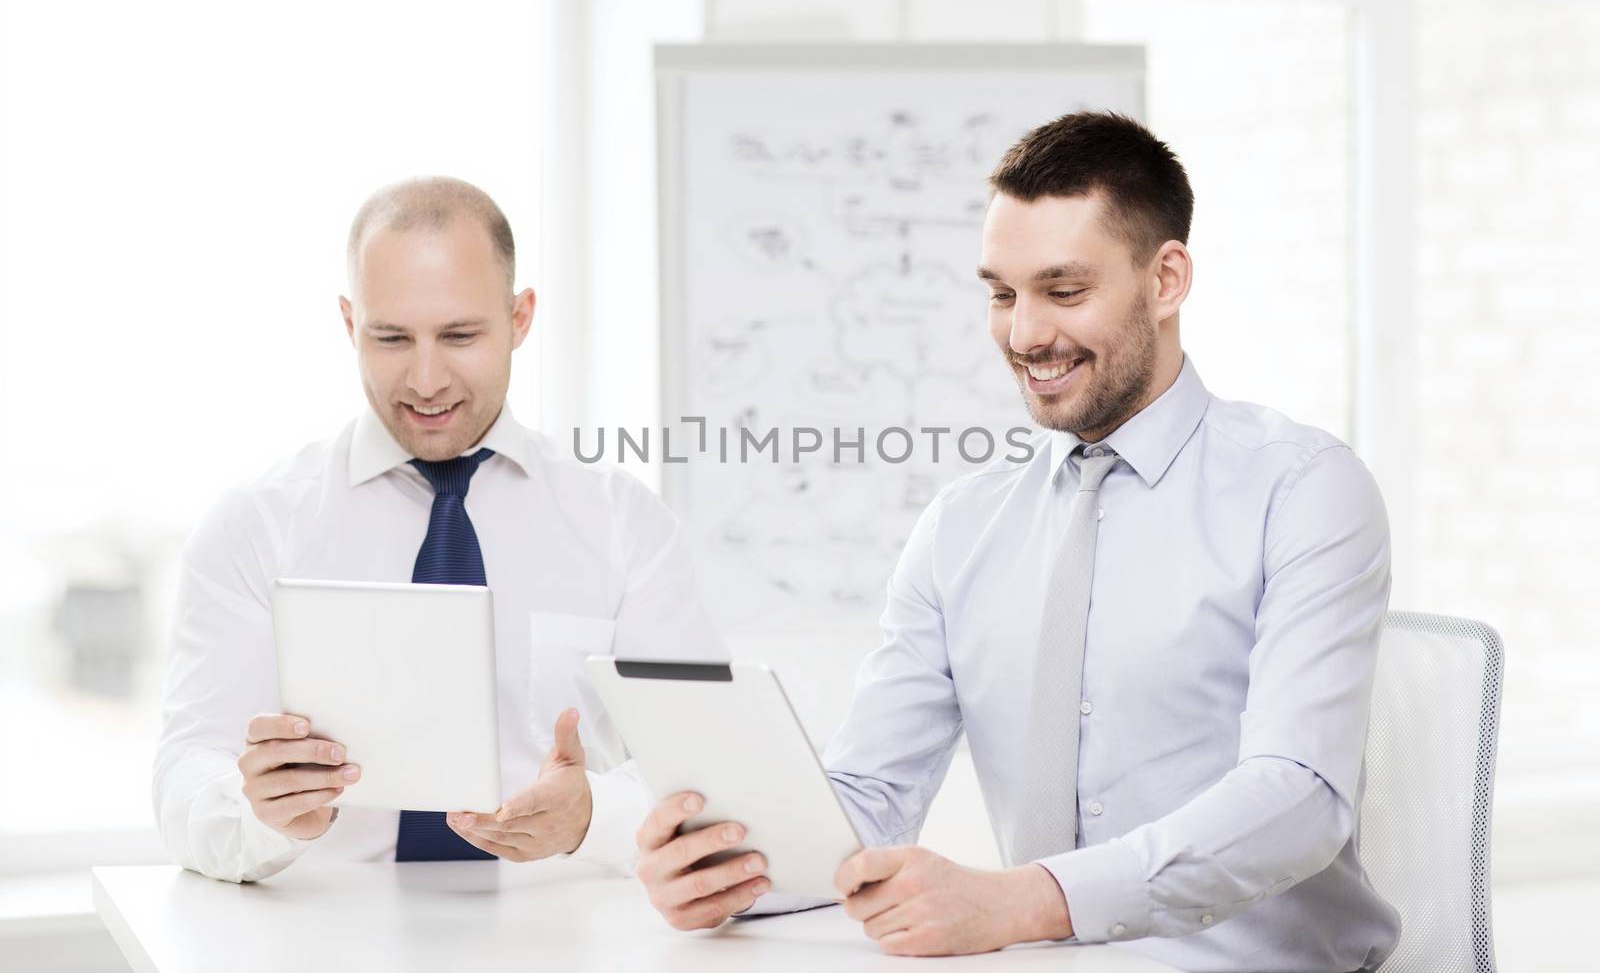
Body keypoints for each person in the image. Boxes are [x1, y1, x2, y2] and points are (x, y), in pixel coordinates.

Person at [632, 113, 1402, 973]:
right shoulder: (963, 527)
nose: (1025, 334)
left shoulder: (1301, 490)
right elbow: (871, 796)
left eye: (1064, 292)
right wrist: (733, 868)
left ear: (1168, 279)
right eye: (1002, 294)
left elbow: (1299, 797)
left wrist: (1023, 901)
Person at [153, 176, 724, 883]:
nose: (426, 380)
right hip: (322, 939)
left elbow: (711, 770)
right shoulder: (256, 526)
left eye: (460, 336)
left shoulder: (623, 525)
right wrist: (260, 816)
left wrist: (591, 817)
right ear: (348, 323)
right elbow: (186, 776)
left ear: (520, 320)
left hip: (562, 937)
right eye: (390, 337)